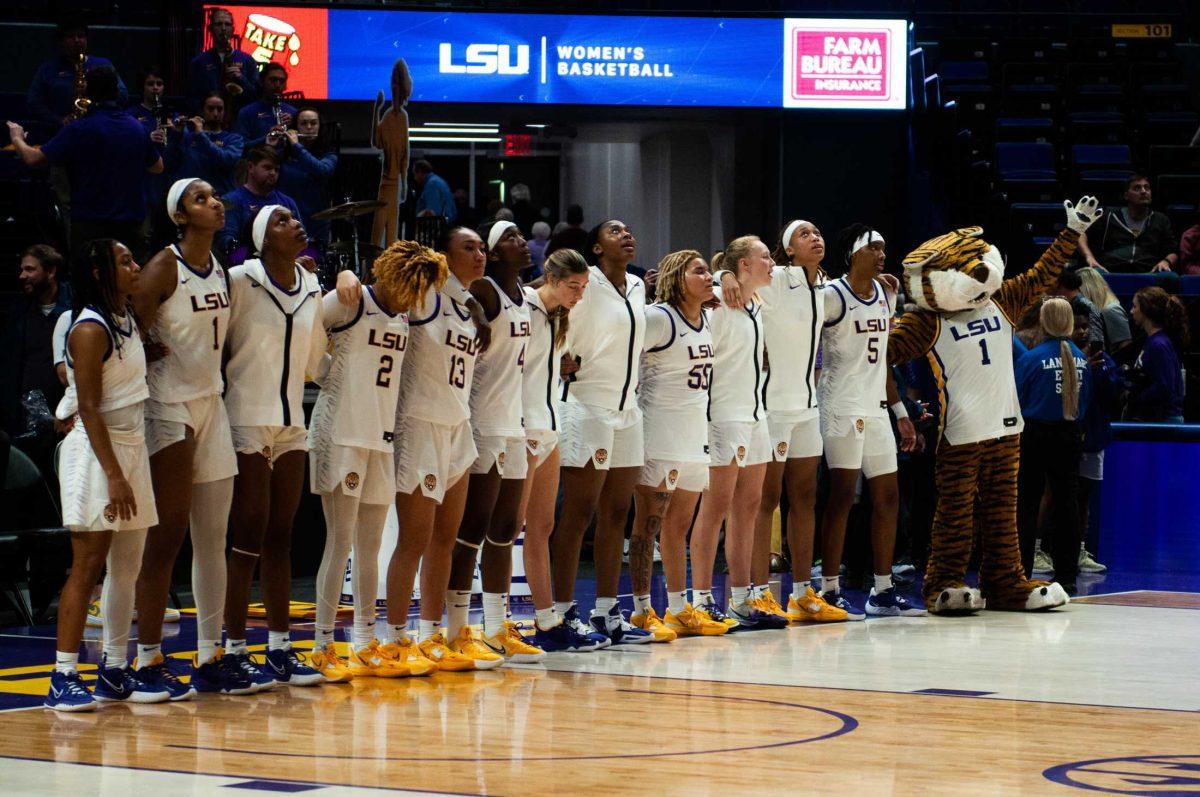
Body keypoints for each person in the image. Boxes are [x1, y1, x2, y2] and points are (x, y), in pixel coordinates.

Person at [119, 179, 246, 698]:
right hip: (168, 406)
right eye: (200, 199)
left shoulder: (222, 268)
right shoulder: (163, 266)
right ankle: (146, 659)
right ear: (179, 216)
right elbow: (128, 330)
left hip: (211, 401)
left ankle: (210, 654)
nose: (214, 203)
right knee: (166, 537)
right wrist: (147, 351)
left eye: (214, 197)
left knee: (213, 538)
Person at [308, 240, 446, 681]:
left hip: (379, 439)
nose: (417, 294)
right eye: (413, 283)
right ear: (389, 275)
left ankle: (366, 643)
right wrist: (325, 372)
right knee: (340, 542)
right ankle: (323, 645)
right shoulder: (349, 300)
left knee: (369, 547)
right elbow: (309, 336)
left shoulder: (404, 316)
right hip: (341, 433)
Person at [45, 239, 167, 711]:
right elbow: (90, 409)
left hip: (130, 446)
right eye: (124, 261)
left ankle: (115, 668)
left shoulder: (125, 318)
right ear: (99, 273)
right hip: (97, 454)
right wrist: (115, 476)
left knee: (129, 566)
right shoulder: (90, 328)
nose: (135, 266)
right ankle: (63, 674)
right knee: (88, 564)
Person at [718, 220, 847, 624]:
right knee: (766, 500)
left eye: (817, 231)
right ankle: (757, 592)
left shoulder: (824, 288)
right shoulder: (777, 278)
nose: (816, 237)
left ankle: (803, 592)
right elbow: (728, 263)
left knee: (806, 498)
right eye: (804, 234)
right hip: (771, 408)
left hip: (807, 407)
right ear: (787, 251)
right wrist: (723, 274)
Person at [221, 205, 327, 688]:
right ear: (263, 238)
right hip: (245, 416)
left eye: (295, 218)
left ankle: (281, 648)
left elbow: (315, 361)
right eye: (283, 221)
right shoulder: (239, 279)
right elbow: (212, 341)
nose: (296, 224)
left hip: (291, 422)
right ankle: (233, 647)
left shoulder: (311, 287)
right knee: (246, 536)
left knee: (281, 536)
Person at [384, 226, 494, 672]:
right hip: (419, 423)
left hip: (457, 426)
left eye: (482, 247)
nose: (480, 254)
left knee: (445, 539)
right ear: (445, 255)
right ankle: (394, 639)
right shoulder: (425, 296)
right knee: (413, 539)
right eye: (469, 247)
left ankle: (432, 634)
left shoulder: (469, 307)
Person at [552, 220, 655, 645]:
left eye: (630, 230)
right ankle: (560, 613)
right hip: (586, 405)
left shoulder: (637, 285)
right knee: (579, 515)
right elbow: (545, 314)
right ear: (596, 247)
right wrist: (555, 357)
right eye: (615, 231)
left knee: (617, 514)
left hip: (628, 409)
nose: (627, 234)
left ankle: (607, 611)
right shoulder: (584, 284)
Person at [447, 221, 543, 663]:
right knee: (473, 529)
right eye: (510, 238)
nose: (520, 242)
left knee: (505, 530)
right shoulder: (485, 290)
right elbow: (457, 298)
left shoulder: (524, 292)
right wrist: (480, 313)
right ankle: (457, 629)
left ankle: (497, 626)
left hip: (514, 423)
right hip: (482, 420)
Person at [816, 225, 921, 619]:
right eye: (873, 247)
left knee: (888, 497)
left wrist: (900, 413)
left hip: (876, 407)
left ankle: (882, 590)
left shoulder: (888, 293)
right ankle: (829, 589)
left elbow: (883, 363)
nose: (881, 254)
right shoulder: (831, 296)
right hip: (840, 405)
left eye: (884, 247)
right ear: (852, 253)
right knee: (842, 497)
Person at [687, 237, 784, 630]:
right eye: (764, 257)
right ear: (743, 265)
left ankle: (743, 599)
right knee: (714, 510)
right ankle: (701, 598)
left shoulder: (756, 305)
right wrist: (721, 274)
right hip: (721, 417)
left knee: (749, 506)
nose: (772, 262)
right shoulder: (715, 304)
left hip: (756, 416)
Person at [629, 249, 726, 638]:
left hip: (693, 435)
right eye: (699, 271)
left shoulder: (705, 319)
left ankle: (677, 608)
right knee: (648, 526)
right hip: (659, 433)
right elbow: (625, 353)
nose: (708, 277)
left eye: (709, 271)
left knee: (678, 528)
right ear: (676, 278)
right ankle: (640, 610)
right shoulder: (658, 318)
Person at [517, 249, 598, 652]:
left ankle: (547, 622)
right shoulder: (522, 307)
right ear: (549, 277)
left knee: (542, 527)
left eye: (583, 287)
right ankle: (495, 623)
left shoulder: (557, 317)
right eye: (572, 286)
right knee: (505, 531)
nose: (579, 295)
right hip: (520, 427)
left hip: (548, 427)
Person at [8, 66, 163, 261]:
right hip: (130, 226)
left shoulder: (79, 129)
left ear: (87, 93)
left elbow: (32, 158)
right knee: (128, 285)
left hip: (90, 226)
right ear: (116, 91)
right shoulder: (136, 127)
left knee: (89, 286)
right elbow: (157, 167)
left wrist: (17, 138)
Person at [1015, 298, 1092, 595]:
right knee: (1067, 504)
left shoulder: (1032, 359)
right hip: (1071, 436)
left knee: (1028, 503)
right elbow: (1086, 403)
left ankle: (1021, 569)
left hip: (1035, 435)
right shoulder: (1082, 359)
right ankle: (1068, 575)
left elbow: (1019, 400)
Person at [1, 245, 73, 438]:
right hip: (28, 415)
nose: (22, 275)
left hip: (69, 411)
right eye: (22, 269)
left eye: (30, 269)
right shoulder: (18, 311)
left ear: (51, 271)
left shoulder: (75, 307)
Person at [1071, 297, 1120, 576]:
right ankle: (1042, 549)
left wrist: (1097, 371)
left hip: (1094, 435)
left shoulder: (1102, 358)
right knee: (1054, 496)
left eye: (1085, 326)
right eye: (1076, 326)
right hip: (1066, 435)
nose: (1082, 331)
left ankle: (1078, 549)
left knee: (1084, 498)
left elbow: (1112, 395)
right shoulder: (1063, 354)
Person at [26, 20, 127, 130]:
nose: (77, 40)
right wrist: (58, 120)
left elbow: (123, 95)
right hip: (62, 130)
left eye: (81, 36)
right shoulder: (47, 69)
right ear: (61, 41)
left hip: (100, 127)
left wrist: (95, 89)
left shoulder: (103, 64)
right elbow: (34, 103)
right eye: (70, 36)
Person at [1078, 175, 1178, 273]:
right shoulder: (1109, 216)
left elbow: (1173, 251)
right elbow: (1081, 233)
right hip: (1110, 270)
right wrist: (1089, 257)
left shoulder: (1160, 219)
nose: (1143, 191)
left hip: (1149, 272)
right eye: (1137, 188)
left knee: (1169, 277)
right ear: (1126, 196)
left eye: (1147, 188)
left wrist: (1166, 261)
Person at [216, 147, 300, 261]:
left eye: (276, 170)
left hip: (284, 265)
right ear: (250, 167)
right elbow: (227, 243)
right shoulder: (232, 201)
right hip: (245, 267)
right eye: (268, 168)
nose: (273, 173)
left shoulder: (287, 202)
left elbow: (299, 238)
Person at [277, 108, 338, 246]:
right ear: (296, 127)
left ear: (320, 127)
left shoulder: (329, 155)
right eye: (304, 124)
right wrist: (269, 145)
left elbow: (322, 170)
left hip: (317, 222)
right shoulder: (283, 155)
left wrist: (297, 146)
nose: (309, 128)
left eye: (313, 123)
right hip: (288, 219)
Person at [1127, 286, 1188, 423]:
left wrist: (1138, 397)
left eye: (1134, 306)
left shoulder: (1159, 345)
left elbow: (1165, 388)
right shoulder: (1153, 340)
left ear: (1146, 310)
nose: (1131, 311)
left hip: (1166, 421)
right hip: (1158, 417)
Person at [166, 93, 244, 196]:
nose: (215, 114)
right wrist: (176, 134)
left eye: (220, 109)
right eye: (210, 109)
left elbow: (227, 160)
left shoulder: (234, 139)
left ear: (224, 112)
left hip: (221, 197)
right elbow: (169, 163)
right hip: (192, 197)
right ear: (202, 111)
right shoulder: (188, 137)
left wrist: (201, 135)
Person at [186, 7, 260, 108]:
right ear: (210, 29)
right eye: (219, 24)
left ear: (233, 30)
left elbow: (257, 97)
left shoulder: (247, 60)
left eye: (227, 24)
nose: (224, 28)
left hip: (238, 118)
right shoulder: (198, 62)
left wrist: (241, 78)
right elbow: (192, 98)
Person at [233, 63, 295, 150]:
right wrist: (267, 138)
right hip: (257, 160)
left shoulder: (293, 112)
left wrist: (295, 125)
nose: (277, 85)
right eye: (273, 80)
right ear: (261, 82)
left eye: (281, 81)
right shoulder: (247, 112)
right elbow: (240, 147)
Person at [1076, 267, 1133, 357]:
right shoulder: (1094, 310)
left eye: (1078, 290)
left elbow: (1125, 346)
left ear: (1086, 289)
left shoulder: (1111, 310)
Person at [1052, 270, 1104, 351]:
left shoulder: (1083, 305)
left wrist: (1093, 351)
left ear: (1062, 287)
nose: (1055, 294)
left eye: (1056, 289)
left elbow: (1096, 337)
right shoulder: (1081, 303)